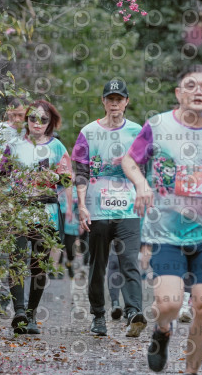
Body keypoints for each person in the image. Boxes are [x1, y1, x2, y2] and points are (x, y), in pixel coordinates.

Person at [122, 65, 202, 374]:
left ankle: (191, 372)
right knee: (169, 304)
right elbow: (130, 159)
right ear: (178, 94)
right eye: (190, 86)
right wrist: (142, 184)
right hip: (166, 234)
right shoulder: (158, 126)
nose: (198, 91)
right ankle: (162, 330)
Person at [71, 79, 147, 338]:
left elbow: (144, 167)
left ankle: (134, 312)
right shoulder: (88, 132)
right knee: (98, 265)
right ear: (103, 101)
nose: (115, 103)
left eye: (119, 99)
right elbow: (81, 172)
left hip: (129, 209)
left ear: (126, 102)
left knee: (129, 261)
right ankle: (98, 316)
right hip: (98, 210)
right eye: (110, 99)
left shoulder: (137, 131)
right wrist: (82, 206)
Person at [2, 99, 73, 334]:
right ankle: (19, 312)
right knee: (16, 259)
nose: (37, 123)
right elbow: (1, 176)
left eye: (43, 119)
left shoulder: (57, 147)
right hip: (19, 210)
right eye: (33, 118)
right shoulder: (14, 145)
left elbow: (67, 178)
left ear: (50, 122)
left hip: (46, 212)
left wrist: (55, 177)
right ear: (26, 119)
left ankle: (32, 314)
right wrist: (6, 200)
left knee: (39, 265)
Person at [0, 96, 28, 316]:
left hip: (22, 196)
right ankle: (1, 298)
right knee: (0, 247)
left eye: (22, 115)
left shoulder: (30, 132)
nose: (18, 119)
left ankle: (20, 298)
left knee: (19, 248)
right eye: (14, 115)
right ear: (7, 112)